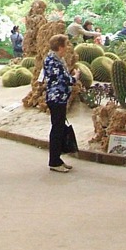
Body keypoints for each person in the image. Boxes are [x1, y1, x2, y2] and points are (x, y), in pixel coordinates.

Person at [43, 34, 79, 173]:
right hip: (56, 98)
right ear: (60, 46)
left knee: (59, 127)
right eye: (65, 44)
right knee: (57, 129)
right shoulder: (53, 60)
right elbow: (64, 79)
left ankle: (57, 159)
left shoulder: (56, 59)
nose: (67, 47)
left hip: (59, 98)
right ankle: (54, 161)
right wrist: (75, 77)